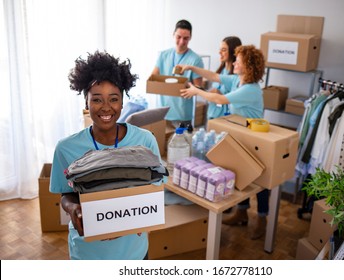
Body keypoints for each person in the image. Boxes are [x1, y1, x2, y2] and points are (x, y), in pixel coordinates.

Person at [50, 51, 163, 259]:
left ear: (122, 102)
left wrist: (141, 217)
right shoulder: (65, 148)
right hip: (88, 252)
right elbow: (65, 194)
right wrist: (73, 208)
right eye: (97, 100)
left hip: (133, 251)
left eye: (113, 99)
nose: (106, 108)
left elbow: (155, 189)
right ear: (86, 103)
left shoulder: (145, 141)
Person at [179, 45, 269, 240]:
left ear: (248, 66)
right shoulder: (238, 80)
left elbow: (219, 98)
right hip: (242, 134)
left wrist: (196, 91)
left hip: (256, 138)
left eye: (239, 61)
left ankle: (263, 219)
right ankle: (241, 213)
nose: (234, 63)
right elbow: (214, 76)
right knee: (239, 173)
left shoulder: (250, 90)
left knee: (261, 181)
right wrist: (192, 68)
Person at [151, 19, 204, 127]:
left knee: (180, 143)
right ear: (173, 34)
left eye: (185, 38)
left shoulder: (195, 60)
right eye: (178, 37)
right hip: (162, 112)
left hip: (182, 115)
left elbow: (199, 87)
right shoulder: (163, 55)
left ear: (190, 38)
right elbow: (153, 78)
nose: (181, 42)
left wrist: (189, 89)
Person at [207, 36, 242, 120]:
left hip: (225, 117)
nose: (219, 52)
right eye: (220, 49)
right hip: (212, 114)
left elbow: (236, 99)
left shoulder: (237, 76)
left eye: (223, 50)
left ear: (233, 51)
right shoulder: (220, 71)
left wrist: (220, 94)